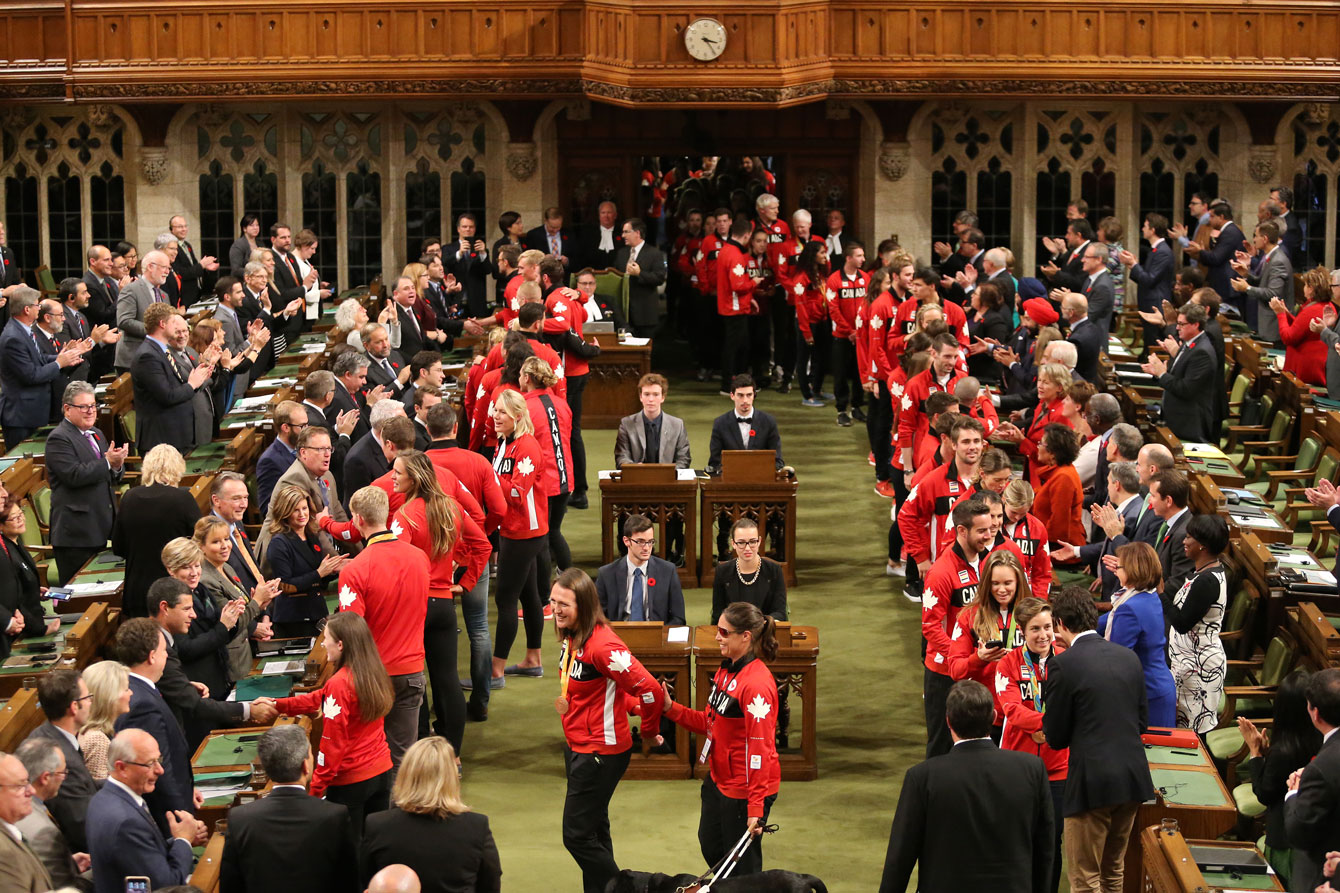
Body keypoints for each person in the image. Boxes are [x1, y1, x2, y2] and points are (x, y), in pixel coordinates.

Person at [879, 679, 1053, 893]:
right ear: (994, 717)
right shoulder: (1032, 770)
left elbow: (900, 858)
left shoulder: (922, 778)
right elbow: (1045, 849)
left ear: (948, 721)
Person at [551, 568, 664, 893]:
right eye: (553, 601)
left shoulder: (603, 646)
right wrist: (631, 707)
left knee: (576, 835)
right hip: (579, 747)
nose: (556, 610)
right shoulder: (575, 636)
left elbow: (651, 690)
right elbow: (615, 692)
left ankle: (626, 890)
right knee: (594, 831)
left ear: (584, 606)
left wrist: (648, 729)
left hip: (599, 753)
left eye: (564, 604)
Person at [1043, 585, 1154, 893]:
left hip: (1092, 784)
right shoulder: (1128, 658)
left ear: (1061, 624)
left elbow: (1055, 737)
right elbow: (1142, 722)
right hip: (1132, 778)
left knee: (1085, 878)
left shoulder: (1063, 665)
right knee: (1112, 871)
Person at [391, 450, 488, 755]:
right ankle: (454, 755)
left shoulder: (404, 516)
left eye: (397, 472)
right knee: (447, 681)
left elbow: (397, 563)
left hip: (415, 607)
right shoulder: (451, 508)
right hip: (445, 605)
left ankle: (420, 752)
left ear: (414, 478)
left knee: (413, 678)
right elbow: (482, 545)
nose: (392, 476)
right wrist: (466, 583)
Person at [274, 612, 394, 837]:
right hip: (381, 773)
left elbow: (332, 745)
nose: (324, 642)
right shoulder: (372, 670)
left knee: (350, 854)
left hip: (351, 783)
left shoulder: (340, 683)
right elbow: (322, 696)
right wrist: (278, 705)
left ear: (340, 644)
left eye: (326, 637)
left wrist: (316, 789)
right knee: (374, 844)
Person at [337, 486, 429, 767]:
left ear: (358, 520)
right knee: (403, 760)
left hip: (372, 678)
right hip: (412, 671)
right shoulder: (419, 559)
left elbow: (350, 634)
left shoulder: (354, 570)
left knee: (368, 760)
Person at [219, 724, 359, 893]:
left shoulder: (239, 818)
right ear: (305, 766)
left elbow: (230, 886)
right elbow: (349, 882)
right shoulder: (335, 816)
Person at [361, 737, 502, 893]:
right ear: (452, 778)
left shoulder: (377, 825)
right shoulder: (476, 826)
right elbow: (491, 883)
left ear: (406, 775)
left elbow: (367, 881)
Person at [996, 597, 1069, 893]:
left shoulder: (1067, 661)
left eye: (1048, 627)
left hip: (1059, 769)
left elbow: (1075, 706)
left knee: (1051, 842)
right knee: (1016, 839)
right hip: (1018, 767)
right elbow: (1010, 708)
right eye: (1035, 629)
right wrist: (1043, 724)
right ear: (1022, 632)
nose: (1043, 635)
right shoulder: (1008, 663)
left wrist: (1048, 727)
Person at [85, 728, 205, 893]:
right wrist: (183, 841)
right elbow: (168, 885)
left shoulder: (103, 798)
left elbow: (136, 853)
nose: (160, 770)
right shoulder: (125, 821)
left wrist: (180, 839)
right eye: (150, 763)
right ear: (122, 768)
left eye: (159, 760)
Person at [111, 618, 197, 830]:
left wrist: (189, 789)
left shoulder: (140, 690)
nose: (167, 654)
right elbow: (160, 768)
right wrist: (182, 818)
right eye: (163, 650)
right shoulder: (142, 704)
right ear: (151, 657)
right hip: (169, 821)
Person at [1238, 670, 1321, 888]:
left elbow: (1265, 793)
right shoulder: (1322, 740)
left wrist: (1255, 752)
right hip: (1310, 838)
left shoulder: (1283, 749)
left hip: (1283, 838)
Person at [490, 389, 549, 680]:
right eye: (494, 410)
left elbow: (516, 491)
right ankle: (532, 660)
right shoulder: (504, 442)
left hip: (523, 531)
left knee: (505, 599)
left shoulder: (527, 447)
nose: (495, 416)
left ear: (516, 415)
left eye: (501, 412)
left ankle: (496, 670)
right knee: (529, 595)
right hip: (513, 528)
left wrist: (488, 480)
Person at [45, 380, 126, 582]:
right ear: (67, 409)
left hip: (100, 525)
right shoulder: (59, 438)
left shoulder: (97, 434)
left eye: (92, 406)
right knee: (77, 596)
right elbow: (74, 475)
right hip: (76, 535)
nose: (90, 411)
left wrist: (116, 466)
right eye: (83, 407)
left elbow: (107, 475)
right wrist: (108, 462)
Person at [946, 550, 1029, 742]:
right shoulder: (969, 616)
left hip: (1024, 714)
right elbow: (955, 670)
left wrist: (1020, 656)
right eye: (995, 583)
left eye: (1008, 583)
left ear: (1018, 582)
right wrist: (979, 659)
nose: (1001, 589)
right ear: (986, 584)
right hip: (986, 716)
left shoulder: (1032, 614)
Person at [1097, 542, 1177, 727]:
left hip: (1148, 694)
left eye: (1119, 566)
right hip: (1158, 687)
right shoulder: (1147, 596)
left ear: (1133, 570)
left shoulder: (1130, 608)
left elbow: (1116, 659)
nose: (1115, 570)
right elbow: (1106, 620)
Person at [1164, 514, 1230, 735]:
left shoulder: (1207, 581)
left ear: (1202, 546)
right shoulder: (1201, 572)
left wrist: (1161, 593)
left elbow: (1182, 623)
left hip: (1199, 669)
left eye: (1189, 537)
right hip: (1187, 664)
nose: (1184, 540)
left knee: (1192, 736)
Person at [0, 287, 88, 448]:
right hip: (21, 415)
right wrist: (59, 363)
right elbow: (31, 375)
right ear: (27, 309)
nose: (39, 309)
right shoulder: (13, 337)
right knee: (25, 467)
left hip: (32, 412)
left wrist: (64, 358)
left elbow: (39, 359)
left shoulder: (23, 330)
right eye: (36, 306)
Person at [195, 515, 279, 682]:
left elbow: (244, 608)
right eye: (216, 542)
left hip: (245, 653)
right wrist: (256, 601)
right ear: (201, 546)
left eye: (226, 539)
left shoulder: (226, 567)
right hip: (229, 662)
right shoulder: (205, 579)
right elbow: (231, 624)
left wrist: (261, 604)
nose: (225, 546)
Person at [26, 669, 99, 853]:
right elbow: (82, 828)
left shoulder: (47, 732)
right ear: (74, 707)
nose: (91, 702)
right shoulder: (60, 760)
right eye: (88, 698)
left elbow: (85, 785)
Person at [265, 485, 347, 638]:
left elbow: (318, 574)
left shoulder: (311, 535)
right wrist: (319, 573)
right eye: (296, 510)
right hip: (294, 619)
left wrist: (335, 568)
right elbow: (286, 585)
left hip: (316, 611)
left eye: (305, 508)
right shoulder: (279, 543)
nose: (302, 514)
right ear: (285, 512)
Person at [1284, 668, 1340, 893]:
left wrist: (1294, 794)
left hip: (1323, 873)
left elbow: (1300, 831)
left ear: (1315, 713)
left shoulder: (1321, 768)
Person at [131, 303, 214, 454]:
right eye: (173, 323)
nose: (176, 329)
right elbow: (167, 396)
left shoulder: (161, 350)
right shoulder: (148, 355)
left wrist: (198, 377)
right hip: (162, 439)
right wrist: (192, 384)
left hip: (177, 435)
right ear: (163, 324)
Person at [520, 355, 574, 581]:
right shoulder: (562, 404)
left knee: (541, 538)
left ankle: (543, 595)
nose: (519, 378)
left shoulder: (526, 407)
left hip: (542, 482)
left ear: (529, 378)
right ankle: (571, 582)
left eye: (522, 374)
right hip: (565, 478)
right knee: (554, 533)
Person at [14, 738, 90, 890]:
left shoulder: (16, 810)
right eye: (63, 773)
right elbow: (64, 887)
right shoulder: (44, 832)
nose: (64, 778)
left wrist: (68, 862)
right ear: (46, 778)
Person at [1141, 300, 1217, 444]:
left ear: (1196, 324)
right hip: (1175, 417)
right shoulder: (1189, 343)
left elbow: (1186, 389)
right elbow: (1177, 375)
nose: (1177, 328)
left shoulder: (1202, 352)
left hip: (1188, 423)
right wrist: (1158, 373)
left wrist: (1162, 374)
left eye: (1182, 324)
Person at [596, 513, 686, 624]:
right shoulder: (607, 574)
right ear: (626, 541)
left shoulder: (667, 571)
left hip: (656, 637)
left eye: (650, 542)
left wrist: (661, 635)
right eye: (640, 542)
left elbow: (679, 617)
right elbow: (597, 617)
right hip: (618, 636)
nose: (647, 548)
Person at [711, 517, 786, 625]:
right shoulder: (722, 571)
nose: (747, 548)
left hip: (764, 633)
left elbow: (780, 613)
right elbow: (718, 613)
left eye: (752, 542)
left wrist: (758, 624)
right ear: (733, 543)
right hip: (734, 632)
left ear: (759, 541)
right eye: (741, 543)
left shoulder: (774, 570)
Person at [0, 749, 56, 893]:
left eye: (28, 782)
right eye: (20, 786)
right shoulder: (3, 852)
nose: (31, 791)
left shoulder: (8, 828)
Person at [707, 374, 783, 472]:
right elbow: (715, 462)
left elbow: (778, 461)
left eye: (749, 395)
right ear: (732, 396)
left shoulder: (768, 422)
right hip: (731, 481)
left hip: (761, 480)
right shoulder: (720, 423)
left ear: (754, 395)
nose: (745, 400)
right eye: (740, 395)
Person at [614, 372, 691, 468]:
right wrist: (634, 468)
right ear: (640, 397)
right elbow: (621, 457)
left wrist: (666, 472)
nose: (651, 399)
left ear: (662, 397)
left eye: (655, 394)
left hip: (667, 480)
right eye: (646, 394)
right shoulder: (626, 424)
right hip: (637, 478)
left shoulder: (677, 425)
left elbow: (684, 459)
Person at [1271, 264, 1330, 385]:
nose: (1304, 288)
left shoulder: (1313, 310)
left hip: (1306, 371)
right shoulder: (1325, 306)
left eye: (1305, 285)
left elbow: (1288, 337)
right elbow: (1302, 329)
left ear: (1311, 288)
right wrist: (1287, 314)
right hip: (1312, 366)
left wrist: (1280, 314)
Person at [1029, 423, 1084, 548]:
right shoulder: (1059, 472)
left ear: (1053, 452)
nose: (1038, 447)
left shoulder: (1064, 477)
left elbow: (1058, 526)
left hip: (1059, 551)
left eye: (1041, 444)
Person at [614, 218, 667, 337]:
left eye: (626, 232)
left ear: (637, 233)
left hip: (645, 314)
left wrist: (639, 274)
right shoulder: (621, 253)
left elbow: (659, 278)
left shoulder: (654, 253)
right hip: (625, 315)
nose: (623, 235)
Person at [78, 660, 131, 782]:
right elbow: (100, 792)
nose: (131, 693)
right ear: (110, 696)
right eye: (126, 689)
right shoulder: (98, 741)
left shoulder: (95, 731)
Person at [255, 400, 309, 516]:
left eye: (307, 425)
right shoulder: (269, 461)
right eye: (302, 426)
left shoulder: (304, 448)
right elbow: (267, 508)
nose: (306, 431)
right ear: (286, 428)